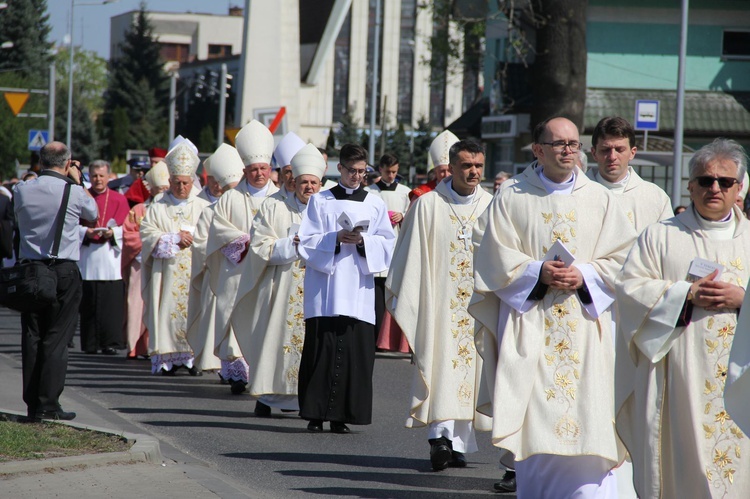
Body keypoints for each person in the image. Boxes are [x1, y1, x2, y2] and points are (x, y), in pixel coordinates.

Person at [470, 117, 636, 497]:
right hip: (531, 327)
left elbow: (625, 260)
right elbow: (492, 257)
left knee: (590, 420)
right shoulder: (512, 196)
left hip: (586, 334)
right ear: (538, 149)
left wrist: (586, 276)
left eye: (574, 143)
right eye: (558, 143)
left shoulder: (600, 199)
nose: (567, 150)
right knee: (534, 429)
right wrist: (536, 272)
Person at [616, 138, 750, 498]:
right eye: (705, 181)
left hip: (742, 381)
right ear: (690, 186)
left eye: (725, 182)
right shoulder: (660, 236)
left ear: (740, 188)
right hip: (678, 377)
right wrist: (685, 294)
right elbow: (628, 289)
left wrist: (743, 300)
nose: (715, 189)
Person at [386, 139, 493, 470]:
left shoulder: (493, 205)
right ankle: (440, 440)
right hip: (438, 307)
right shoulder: (428, 206)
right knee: (441, 367)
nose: (473, 171)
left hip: (479, 307)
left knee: (472, 373)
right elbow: (409, 259)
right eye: (466, 165)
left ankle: (458, 443)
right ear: (452, 166)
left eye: (478, 166)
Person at [296, 143, 396, 433]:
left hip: (359, 289)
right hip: (326, 288)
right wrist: (335, 238)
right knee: (321, 348)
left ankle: (342, 416)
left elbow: (388, 244)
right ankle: (315, 414)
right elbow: (306, 241)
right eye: (351, 171)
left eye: (361, 172)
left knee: (354, 351)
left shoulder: (375, 203)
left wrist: (365, 242)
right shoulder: (321, 200)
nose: (356, 176)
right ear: (338, 169)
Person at [232, 144, 325, 416]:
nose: (308, 187)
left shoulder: (327, 208)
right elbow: (260, 246)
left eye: (313, 183)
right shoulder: (274, 206)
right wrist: (293, 244)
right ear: (293, 181)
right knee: (275, 337)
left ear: (320, 184)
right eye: (303, 182)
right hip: (281, 285)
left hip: (316, 287)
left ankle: (307, 398)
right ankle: (268, 395)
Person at [14, 141, 98, 420]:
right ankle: (48, 403)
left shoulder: (22, 189)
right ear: (67, 162)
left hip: (31, 271)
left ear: (40, 161)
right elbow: (94, 214)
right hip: (62, 270)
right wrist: (77, 179)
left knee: (32, 336)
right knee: (57, 338)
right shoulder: (74, 192)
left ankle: (32, 404)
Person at [209, 121, 280, 393]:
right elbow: (218, 230)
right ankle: (238, 375)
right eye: (253, 169)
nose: (259, 173)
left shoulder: (280, 199)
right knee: (237, 315)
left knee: (265, 321)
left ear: (269, 169)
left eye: (263, 168)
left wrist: (265, 246)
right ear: (245, 170)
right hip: (237, 270)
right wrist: (245, 241)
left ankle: (265, 375)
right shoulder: (230, 198)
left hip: (267, 272)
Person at [140, 142, 211, 375]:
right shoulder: (158, 206)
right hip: (167, 272)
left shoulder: (204, 206)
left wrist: (195, 238)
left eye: (186, 183)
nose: (181, 187)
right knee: (168, 312)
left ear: (193, 182)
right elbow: (147, 234)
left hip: (196, 269)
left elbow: (214, 236)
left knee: (195, 310)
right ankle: (168, 358)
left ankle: (193, 358)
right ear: (170, 181)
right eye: (177, 183)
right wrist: (173, 238)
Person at [186, 144, 245, 383]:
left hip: (251, 274)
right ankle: (231, 371)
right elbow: (200, 244)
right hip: (221, 274)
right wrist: (226, 247)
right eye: (228, 188)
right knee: (225, 326)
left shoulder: (257, 205)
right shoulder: (210, 211)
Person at [77, 160, 130, 355]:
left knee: (111, 303)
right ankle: (90, 343)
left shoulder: (119, 199)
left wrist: (113, 232)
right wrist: (86, 232)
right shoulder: (83, 197)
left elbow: (127, 227)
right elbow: (72, 225)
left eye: (102, 175)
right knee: (89, 301)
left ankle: (110, 343)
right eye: (94, 175)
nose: (98, 179)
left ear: (109, 176)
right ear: (89, 177)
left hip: (110, 257)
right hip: (89, 256)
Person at [121, 161, 170, 359]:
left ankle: (158, 346)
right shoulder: (140, 209)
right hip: (141, 263)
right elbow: (129, 235)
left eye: (167, 189)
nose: (163, 193)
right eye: (160, 189)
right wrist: (151, 244)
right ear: (151, 189)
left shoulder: (172, 210)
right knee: (137, 304)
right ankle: (135, 346)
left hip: (166, 263)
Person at [588, 116, 672, 231]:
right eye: (605, 150)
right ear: (594, 153)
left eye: (619, 149)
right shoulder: (578, 193)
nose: (612, 157)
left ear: (632, 153)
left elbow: (666, 243)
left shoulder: (655, 197)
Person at [366, 153, 411, 350]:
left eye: (394, 172)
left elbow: (413, 219)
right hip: (376, 248)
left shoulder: (405, 192)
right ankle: (375, 338)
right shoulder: (370, 192)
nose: (391, 175)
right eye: (387, 172)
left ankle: (392, 340)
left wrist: (403, 216)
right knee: (376, 296)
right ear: (380, 170)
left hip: (396, 248)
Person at [408, 130, 458, 203]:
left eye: (450, 170)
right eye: (442, 171)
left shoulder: (464, 192)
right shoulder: (422, 193)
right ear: (435, 171)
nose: (446, 175)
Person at [272, 132, 306, 199]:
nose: (293, 176)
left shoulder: (312, 201)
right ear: (281, 176)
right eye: (288, 172)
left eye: (296, 170)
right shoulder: (270, 204)